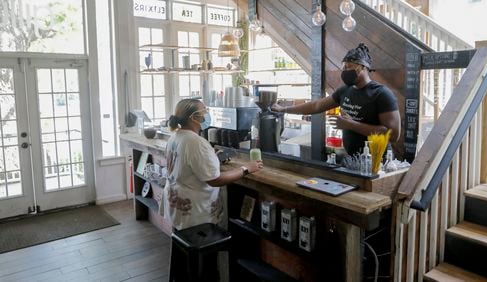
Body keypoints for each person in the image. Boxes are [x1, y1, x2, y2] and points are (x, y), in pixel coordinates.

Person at [164, 99, 263, 282]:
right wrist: (245, 169)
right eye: (204, 111)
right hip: (195, 213)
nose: (206, 114)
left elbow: (190, 165)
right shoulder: (195, 142)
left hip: (177, 207)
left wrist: (213, 159)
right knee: (206, 264)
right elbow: (215, 180)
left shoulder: (176, 136)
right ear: (195, 117)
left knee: (183, 258)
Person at [272, 43, 401, 155]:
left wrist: (350, 125)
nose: (344, 71)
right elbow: (316, 106)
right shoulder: (345, 90)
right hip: (352, 158)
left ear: (363, 67)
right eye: (343, 67)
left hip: (378, 160)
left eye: (349, 66)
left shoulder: (381, 93)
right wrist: (284, 109)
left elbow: (393, 135)